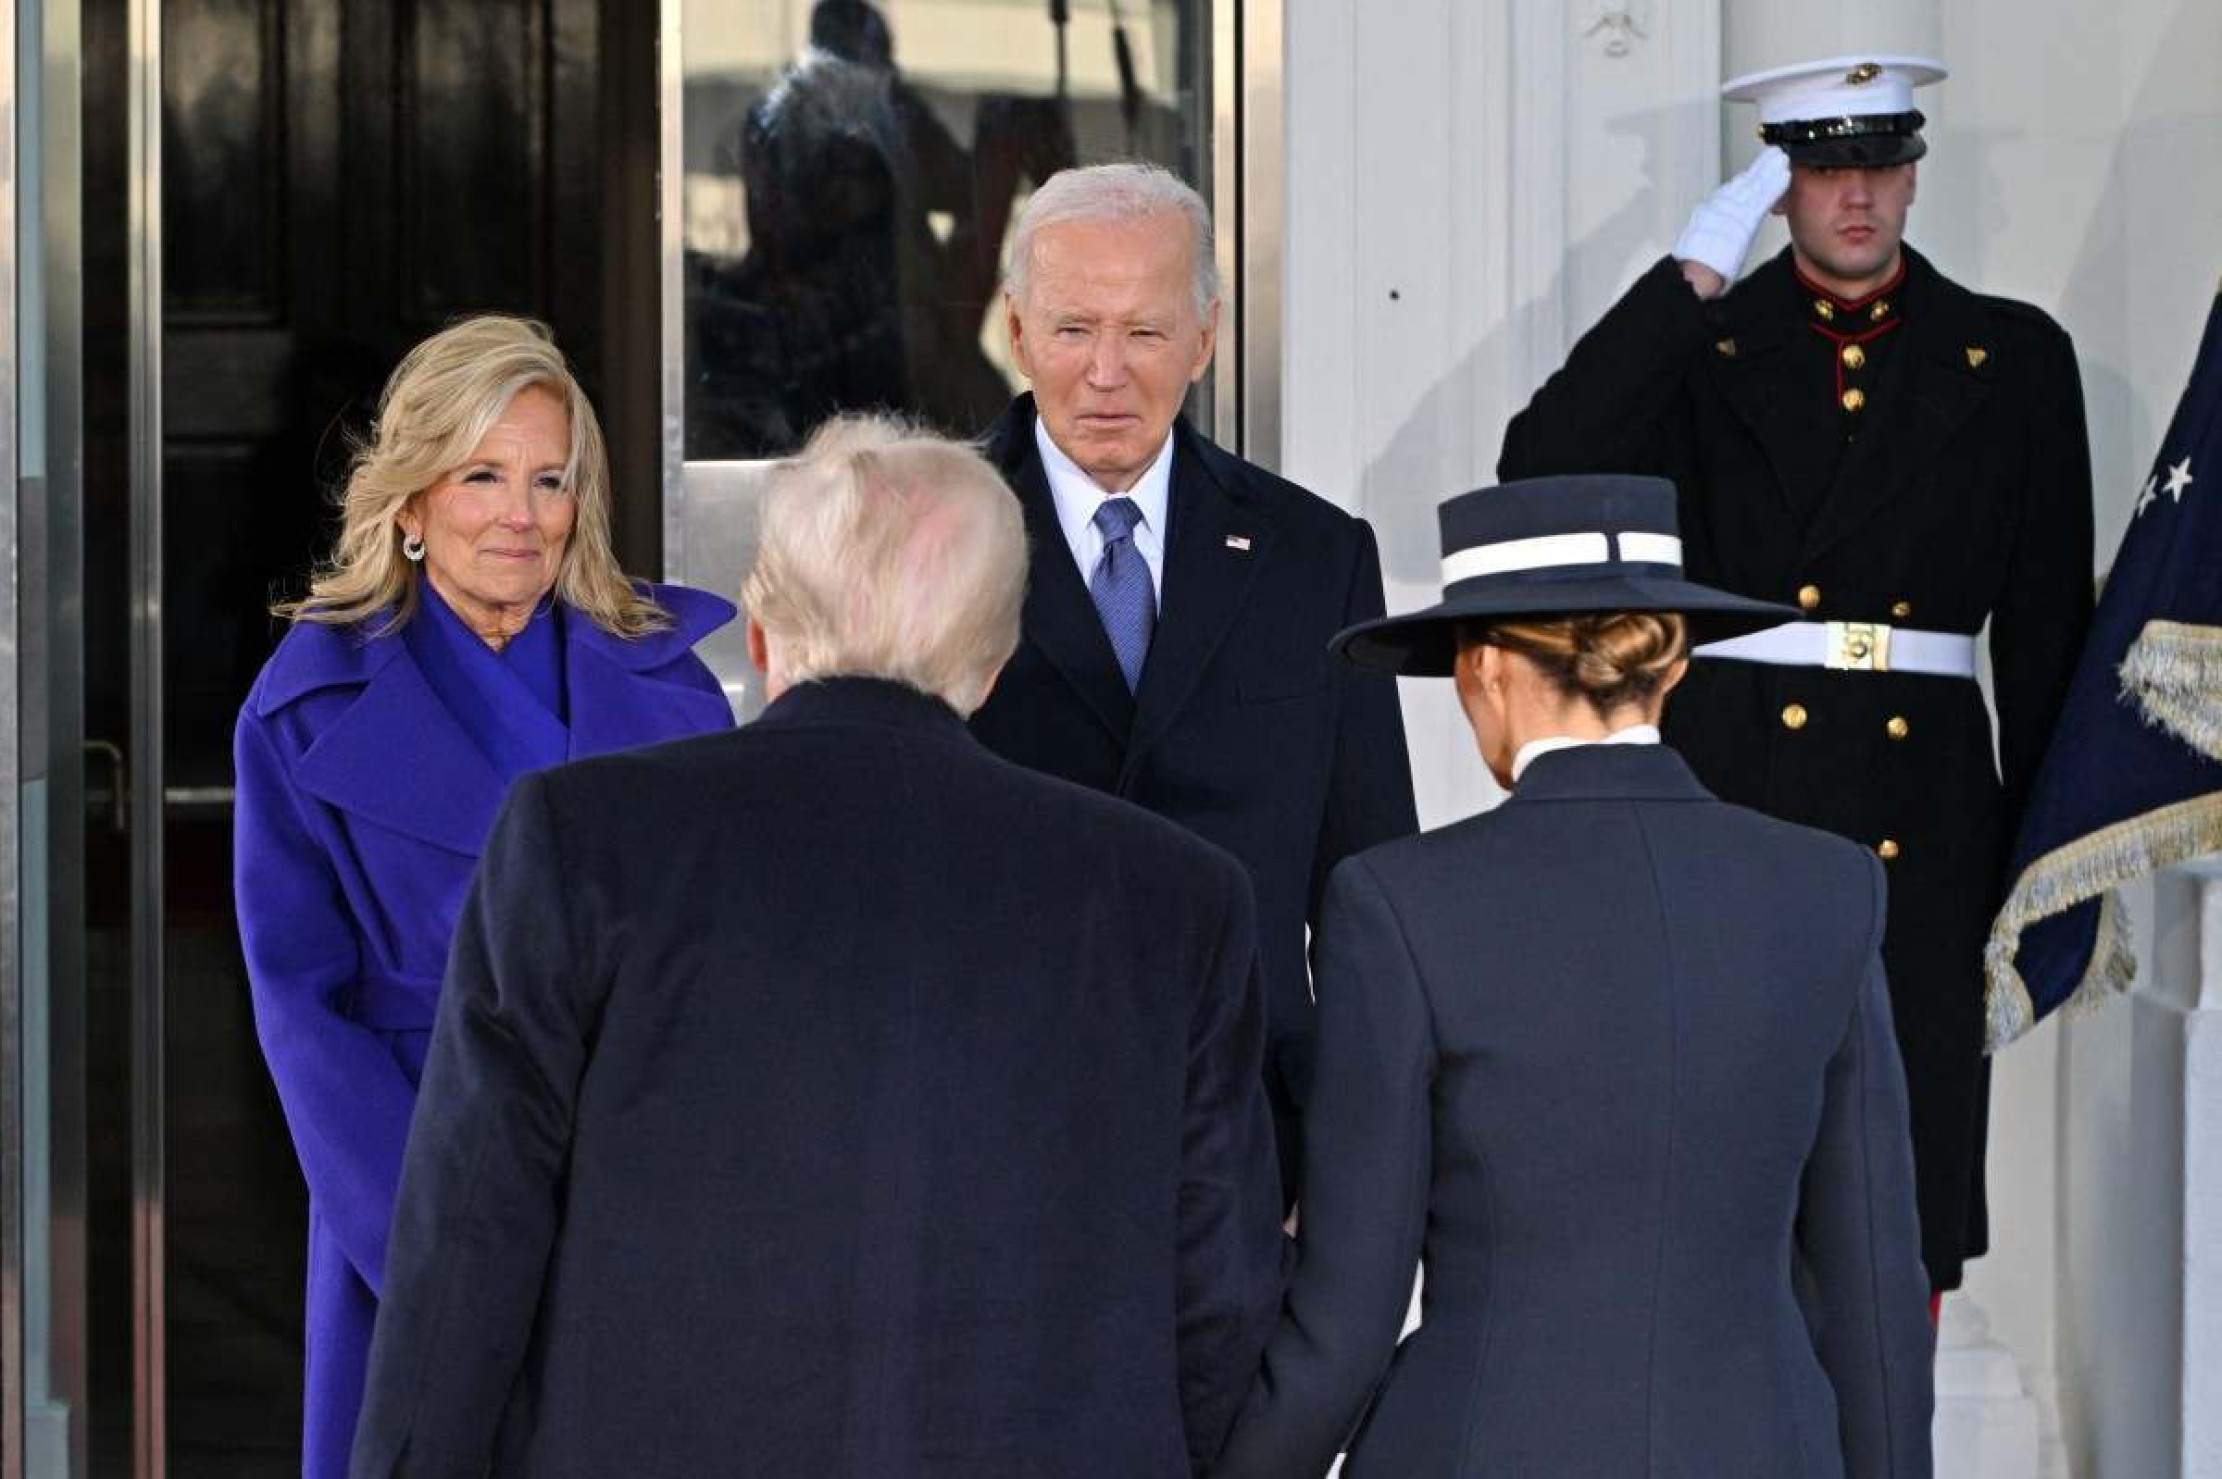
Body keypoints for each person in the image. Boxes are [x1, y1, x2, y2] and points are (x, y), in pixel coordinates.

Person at [348, 416, 1286, 1479]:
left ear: (758, 633)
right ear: (994, 662)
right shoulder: (1177, 899)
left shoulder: (584, 842)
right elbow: (1219, 1304)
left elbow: (471, 1239)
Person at [1498, 55, 2094, 1295]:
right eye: (1823, 170)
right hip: (1734, 786)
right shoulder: (1702, 346)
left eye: (1877, 164)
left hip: (1924, 812)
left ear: (1914, 172)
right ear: (1778, 190)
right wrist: (1687, 279)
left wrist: (2049, 857)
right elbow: (1538, 467)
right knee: (1727, 1176)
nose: (1856, 197)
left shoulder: (2010, 357)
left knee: (1905, 1196)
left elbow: (2041, 628)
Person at [1209, 474, 1935, 1478]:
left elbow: (1346, 1322)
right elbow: (1875, 1301)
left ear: (1486, 668)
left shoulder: (1399, 904)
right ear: (1667, 667)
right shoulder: (1827, 889)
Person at [232, 315, 737, 1479]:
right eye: (482, 475)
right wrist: (429, 1241)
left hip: (643, 1178)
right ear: (410, 503)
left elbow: (723, 965)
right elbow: (299, 1006)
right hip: (419, 1167)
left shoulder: (668, 684)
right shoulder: (303, 707)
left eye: (550, 479)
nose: (521, 512)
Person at [970, 162, 1417, 1206]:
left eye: (1146, 332)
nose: (1106, 374)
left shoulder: (1315, 557)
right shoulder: (930, 536)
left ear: (1206, 338)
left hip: (1246, 1140)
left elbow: (1366, 888)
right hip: (988, 1122)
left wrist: (1358, 1163)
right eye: (1074, 329)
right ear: (1017, 331)